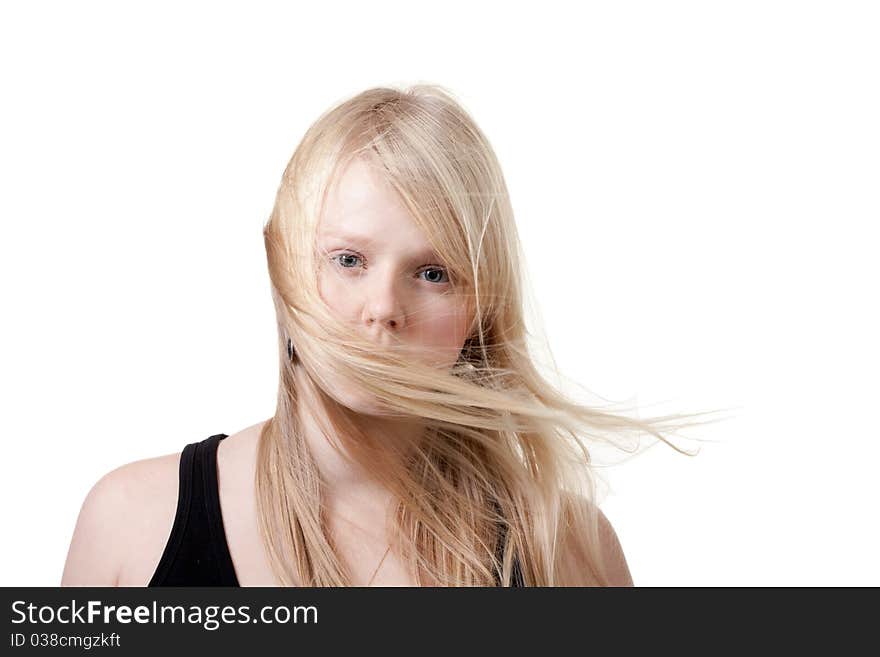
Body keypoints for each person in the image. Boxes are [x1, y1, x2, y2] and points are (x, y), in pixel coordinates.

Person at [61, 84, 718, 587]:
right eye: (348, 260)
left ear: (480, 308)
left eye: (433, 273)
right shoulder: (131, 523)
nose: (383, 309)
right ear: (286, 269)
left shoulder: (570, 550)